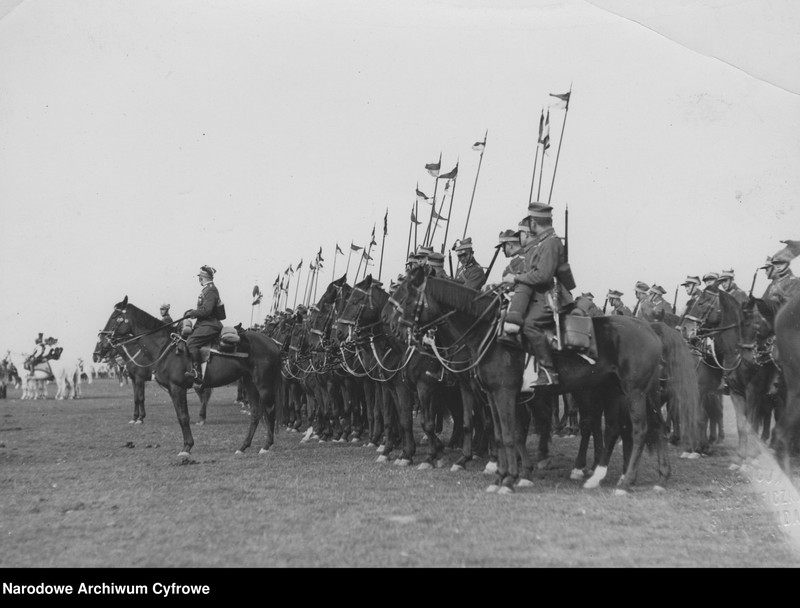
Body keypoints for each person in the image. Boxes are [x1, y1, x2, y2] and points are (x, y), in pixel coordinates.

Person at [500, 202, 573, 387]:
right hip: (540, 294)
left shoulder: (550, 242)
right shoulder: (542, 242)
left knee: (529, 324)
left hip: (550, 297)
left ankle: (548, 371)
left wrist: (515, 279)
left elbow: (543, 275)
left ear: (533, 223)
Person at [184, 265, 224, 385]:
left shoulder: (211, 289)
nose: (199, 279)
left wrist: (192, 313)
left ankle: (197, 373)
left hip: (210, 324)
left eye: (200, 277)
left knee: (191, 342)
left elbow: (207, 311)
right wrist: (191, 312)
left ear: (203, 277)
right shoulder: (207, 289)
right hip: (205, 323)